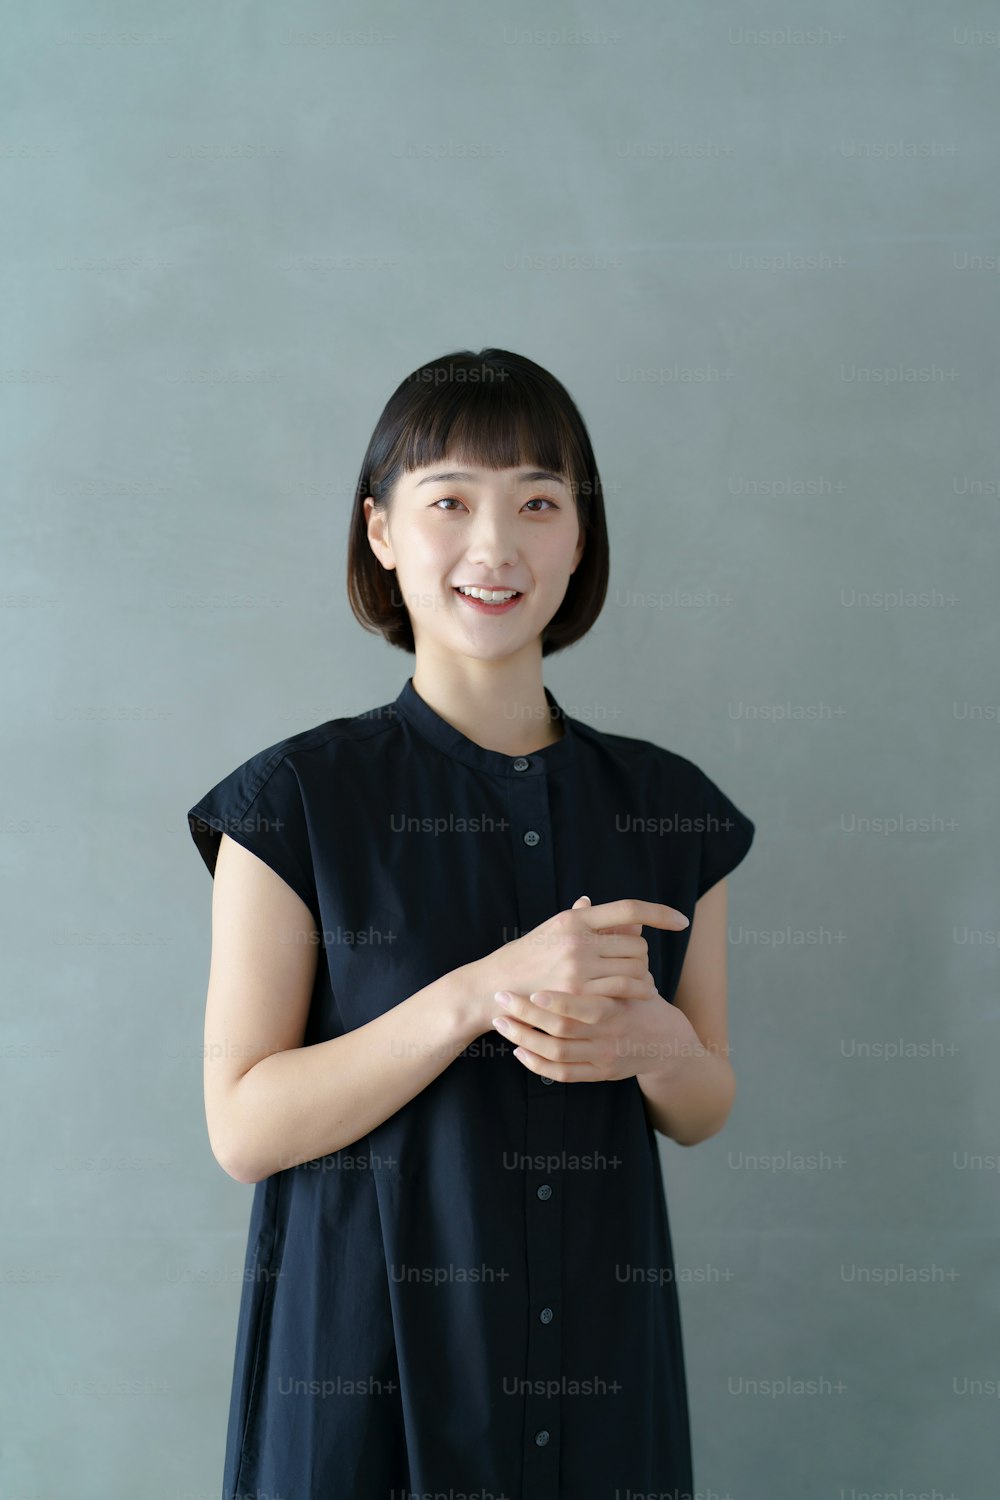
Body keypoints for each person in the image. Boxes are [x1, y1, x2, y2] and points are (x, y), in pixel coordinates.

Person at [187, 347, 756, 1499]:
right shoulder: (292, 803)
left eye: (538, 503)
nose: (495, 546)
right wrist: (475, 992)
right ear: (383, 531)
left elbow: (704, 1104)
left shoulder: (668, 808)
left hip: (597, 1367)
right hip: (361, 1375)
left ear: (579, 538)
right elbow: (244, 1125)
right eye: (449, 500)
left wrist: (657, 1049)